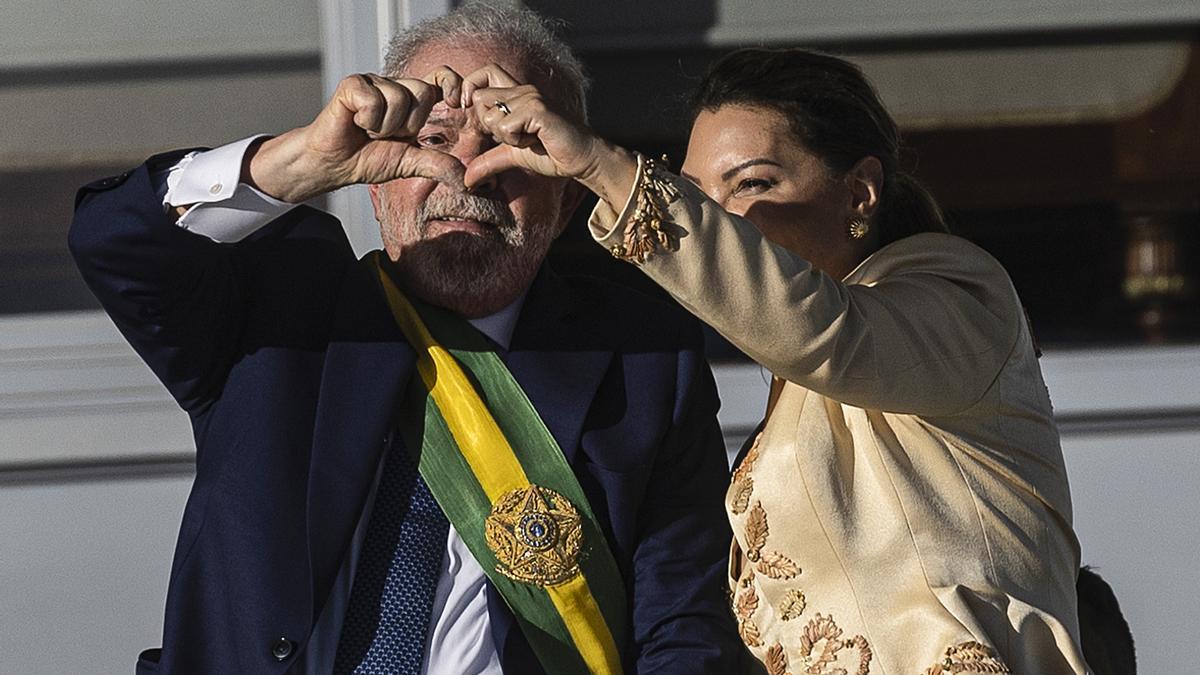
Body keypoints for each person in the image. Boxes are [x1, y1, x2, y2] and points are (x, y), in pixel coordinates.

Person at [68, 4, 742, 674]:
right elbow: (113, 241)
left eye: (514, 146)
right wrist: (299, 163)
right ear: (374, 184)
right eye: (437, 139)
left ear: (566, 202)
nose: (471, 173)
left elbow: (683, 630)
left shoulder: (643, 357)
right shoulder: (276, 306)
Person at [453, 48, 1091, 672]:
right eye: (698, 194)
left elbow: (823, 331)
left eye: (753, 183)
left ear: (860, 193)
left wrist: (602, 167)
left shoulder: (959, 293)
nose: (720, 217)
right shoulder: (796, 388)